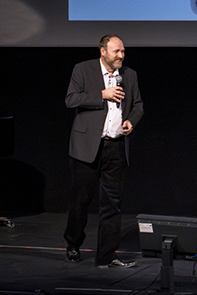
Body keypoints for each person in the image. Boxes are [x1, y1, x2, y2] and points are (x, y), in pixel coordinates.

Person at [63, 35, 143, 267]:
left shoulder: (129, 74)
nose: (121, 56)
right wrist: (102, 94)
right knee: (81, 200)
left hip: (115, 147)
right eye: (116, 51)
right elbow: (71, 99)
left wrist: (130, 121)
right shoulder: (83, 69)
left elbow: (138, 105)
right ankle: (73, 243)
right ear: (103, 51)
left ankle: (107, 255)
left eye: (123, 51)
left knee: (112, 203)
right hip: (87, 147)